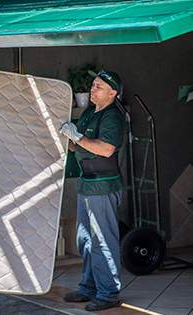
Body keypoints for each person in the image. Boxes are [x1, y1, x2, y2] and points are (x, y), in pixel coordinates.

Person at [60, 70, 125, 311]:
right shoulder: (89, 113)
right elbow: (76, 147)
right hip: (86, 183)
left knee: (102, 241)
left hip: (103, 184)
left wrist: (76, 137)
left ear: (113, 92)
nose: (93, 89)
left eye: (99, 86)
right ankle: (88, 287)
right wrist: (65, 139)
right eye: (93, 85)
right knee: (84, 239)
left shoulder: (112, 117)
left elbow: (106, 149)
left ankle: (108, 293)